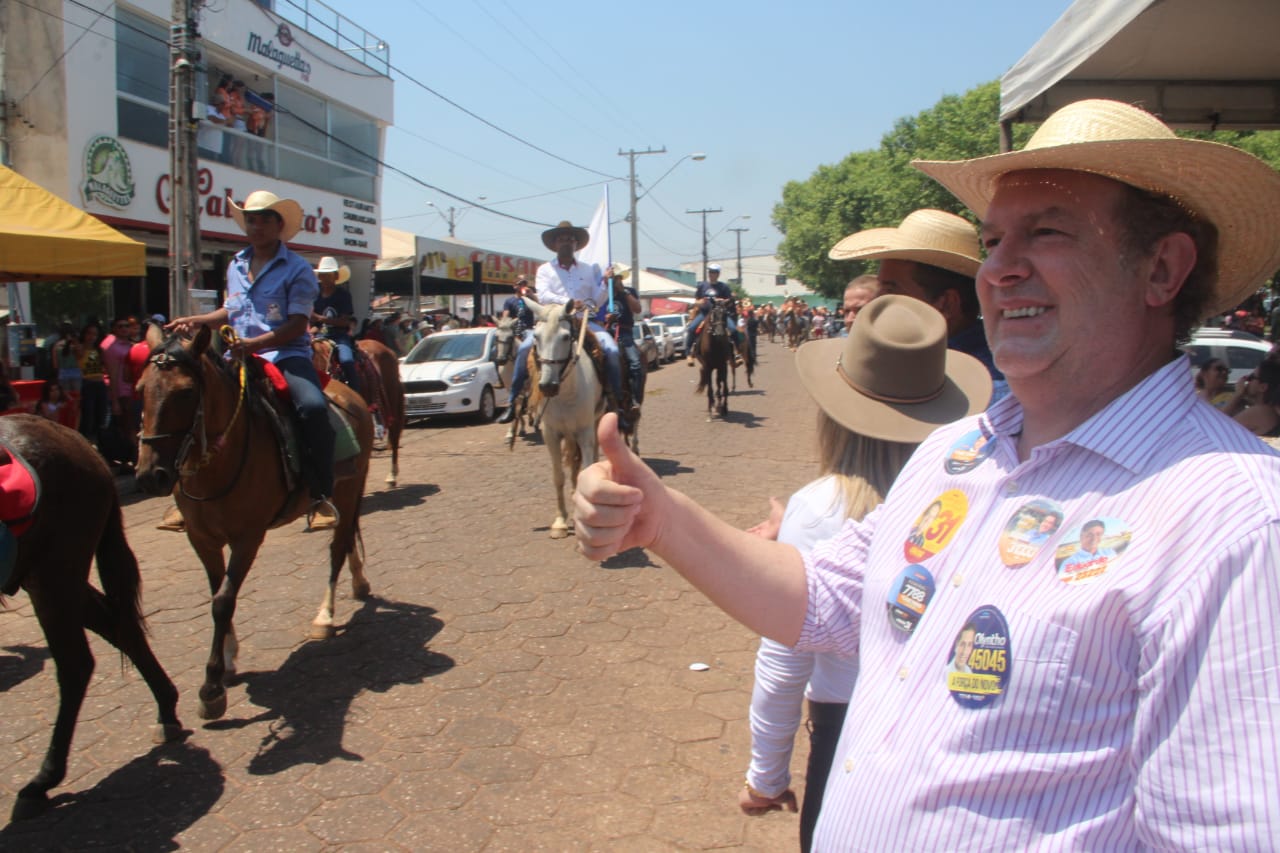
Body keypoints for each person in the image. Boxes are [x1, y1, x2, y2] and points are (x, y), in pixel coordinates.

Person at [572, 98, 1280, 847]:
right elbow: (829, 598)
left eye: (1047, 232)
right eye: (995, 240)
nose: (1000, 269)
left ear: (1161, 269)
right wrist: (664, 518)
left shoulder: (1237, 524)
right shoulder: (956, 450)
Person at [738, 296, 986, 852]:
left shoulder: (820, 506)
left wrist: (766, 777)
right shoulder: (976, 495)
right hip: (952, 730)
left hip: (848, 729)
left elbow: (784, 663)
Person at [168, 189, 338, 529]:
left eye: (263, 220)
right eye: (251, 220)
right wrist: (197, 321)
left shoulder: (298, 269)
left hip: (286, 356)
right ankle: (182, 495)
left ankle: (320, 495)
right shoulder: (236, 264)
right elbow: (230, 311)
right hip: (237, 355)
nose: (256, 227)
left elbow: (298, 324)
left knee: (313, 408)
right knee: (189, 402)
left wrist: (255, 344)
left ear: (279, 225)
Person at [830, 208, 1007, 401]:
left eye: (890, 290)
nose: (876, 301)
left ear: (946, 304)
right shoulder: (920, 364)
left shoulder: (985, 395)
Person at [496, 221, 634, 429]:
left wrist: (606, 285)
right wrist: (568, 303)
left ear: (576, 244)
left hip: (585, 322)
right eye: (562, 239)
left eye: (570, 239)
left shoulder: (589, 269)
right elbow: (543, 295)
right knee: (524, 348)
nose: (566, 242)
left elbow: (596, 301)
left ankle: (616, 402)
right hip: (553, 322)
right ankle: (514, 399)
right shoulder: (545, 270)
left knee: (612, 350)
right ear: (554, 244)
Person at [311, 256, 360, 390]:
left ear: (336, 276)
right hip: (319, 336)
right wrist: (310, 332)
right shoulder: (315, 297)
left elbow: (344, 322)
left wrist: (320, 318)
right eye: (323, 275)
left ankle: (356, 393)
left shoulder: (343, 295)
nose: (325, 278)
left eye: (329, 275)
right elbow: (315, 324)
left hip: (339, 337)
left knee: (347, 361)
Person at [603, 267, 644, 408]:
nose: (616, 281)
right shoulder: (602, 294)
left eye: (618, 278)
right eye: (613, 278)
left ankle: (635, 398)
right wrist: (606, 318)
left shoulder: (629, 292)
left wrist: (624, 292)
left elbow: (637, 309)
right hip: (606, 332)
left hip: (624, 333)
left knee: (635, 363)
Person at [685, 264, 740, 366]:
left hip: (720, 314)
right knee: (692, 328)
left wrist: (722, 301)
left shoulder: (723, 287)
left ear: (718, 274)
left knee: (733, 329)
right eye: (710, 272)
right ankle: (689, 354)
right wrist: (700, 302)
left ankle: (736, 354)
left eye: (714, 272)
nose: (711, 274)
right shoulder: (702, 286)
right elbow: (696, 300)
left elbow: (729, 300)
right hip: (705, 313)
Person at [1223, 351, 1280, 436]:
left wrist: (1237, 395)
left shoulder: (1261, 411)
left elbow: (1218, 430)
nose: (1247, 381)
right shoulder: (1269, 410)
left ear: (1263, 387)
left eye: (1251, 377)